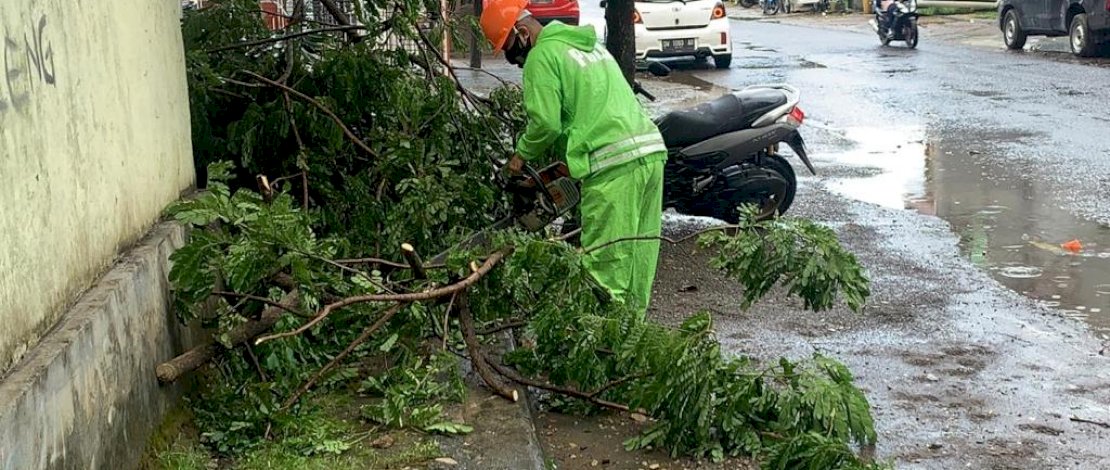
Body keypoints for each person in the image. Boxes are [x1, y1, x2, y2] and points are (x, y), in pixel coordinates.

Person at [479, 0, 666, 317]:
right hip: (649, 154)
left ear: (522, 32)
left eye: (510, 49)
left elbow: (545, 124)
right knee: (638, 259)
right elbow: (588, 111)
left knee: (606, 270)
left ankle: (602, 350)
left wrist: (519, 158)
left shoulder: (541, 56)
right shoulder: (588, 47)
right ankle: (633, 343)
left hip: (612, 167)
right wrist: (569, 162)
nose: (514, 62)